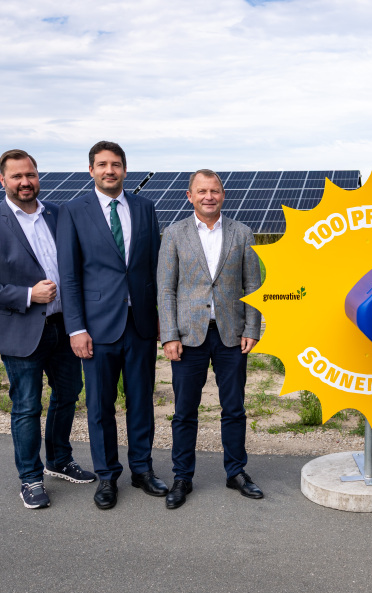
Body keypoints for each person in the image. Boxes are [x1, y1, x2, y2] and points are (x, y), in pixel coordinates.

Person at [0, 149, 96, 509]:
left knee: (69, 394)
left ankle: (59, 459)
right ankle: (30, 477)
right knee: (27, 405)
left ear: (38, 176)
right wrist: (27, 294)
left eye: (30, 175)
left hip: (64, 326)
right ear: (2, 180)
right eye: (17, 176)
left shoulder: (58, 214)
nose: (25, 182)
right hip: (20, 331)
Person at [57, 141, 165, 510]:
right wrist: (76, 328)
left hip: (141, 324)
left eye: (115, 164)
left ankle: (142, 470)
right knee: (100, 406)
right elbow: (69, 275)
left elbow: (153, 268)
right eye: (102, 164)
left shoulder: (145, 208)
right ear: (91, 170)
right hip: (96, 328)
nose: (109, 170)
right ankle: (106, 476)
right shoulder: (73, 211)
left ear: (124, 169)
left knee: (141, 402)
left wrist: (160, 316)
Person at [157, 170, 263, 509]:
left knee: (234, 409)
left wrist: (252, 328)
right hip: (188, 337)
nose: (209, 196)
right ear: (190, 196)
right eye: (201, 191)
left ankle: (236, 472)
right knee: (184, 412)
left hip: (231, 335)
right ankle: (182, 477)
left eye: (214, 190)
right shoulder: (174, 233)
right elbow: (166, 288)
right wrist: (169, 335)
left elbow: (253, 285)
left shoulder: (242, 233)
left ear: (223, 194)